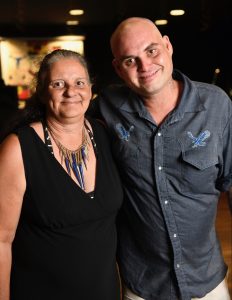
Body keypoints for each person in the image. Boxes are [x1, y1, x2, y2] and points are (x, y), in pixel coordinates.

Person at [88, 17, 232, 300]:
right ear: (118, 69)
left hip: (206, 279)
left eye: (151, 50)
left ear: (168, 46)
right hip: (141, 282)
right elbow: (60, 121)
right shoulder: (105, 107)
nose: (145, 66)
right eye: (130, 60)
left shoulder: (216, 105)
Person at [0, 49, 123, 300]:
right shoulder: (18, 148)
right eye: (58, 84)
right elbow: (1, 239)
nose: (71, 92)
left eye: (79, 82)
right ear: (43, 92)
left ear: (90, 89)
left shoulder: (104, 134)